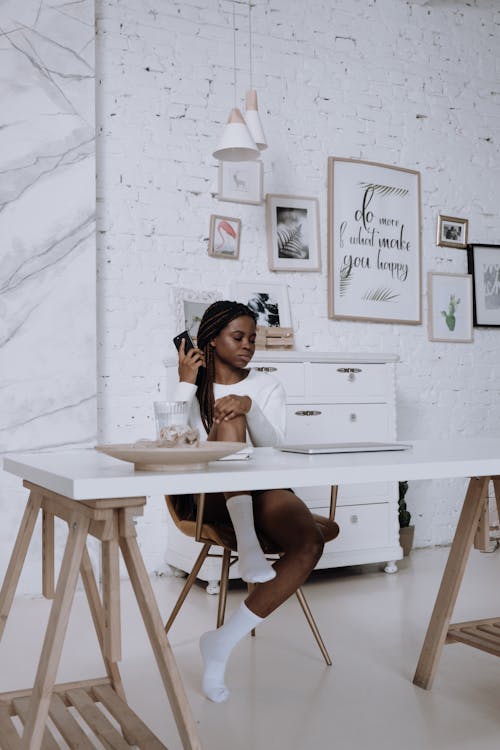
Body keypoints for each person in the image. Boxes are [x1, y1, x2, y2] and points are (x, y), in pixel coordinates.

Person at [174, 300, 339, 703]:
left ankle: (221, 642)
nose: (248, 345)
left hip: (265, 487)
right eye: (238, 337)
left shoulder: (266, 386)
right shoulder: (191, 385)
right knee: (230, 418)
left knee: (309, 542)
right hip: (208, 494)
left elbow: (276, 450)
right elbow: (173, 441)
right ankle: (249, 546)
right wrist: (184, 382)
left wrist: (250, 407)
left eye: (253, 337)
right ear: (211, 341)